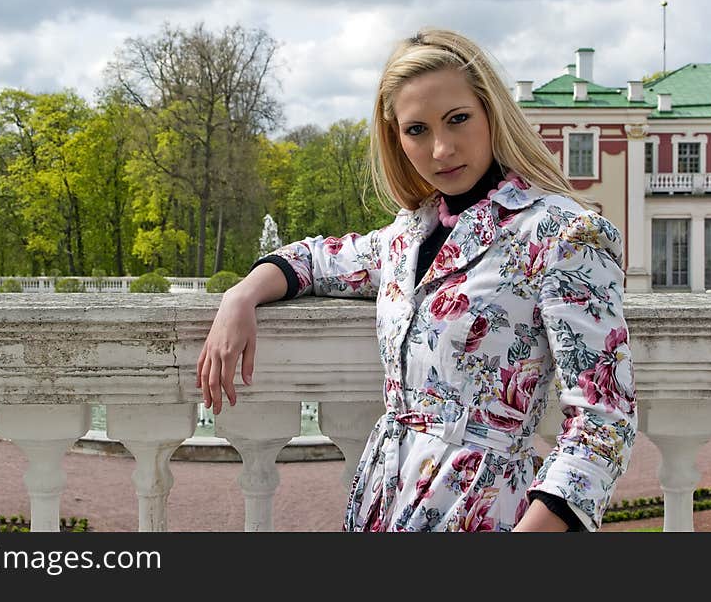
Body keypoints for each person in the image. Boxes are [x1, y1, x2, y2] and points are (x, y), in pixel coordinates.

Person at [196, 28, 636, 532]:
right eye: (417, 130)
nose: (442, 149)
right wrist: (240, 296)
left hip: (485, 512)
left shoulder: (562, 233)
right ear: (396, 138)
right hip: (382, 501)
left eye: (458, 119)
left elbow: (604, 421)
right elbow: (317, 260)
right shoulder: (410, 234)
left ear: (492, 112)